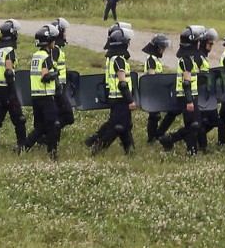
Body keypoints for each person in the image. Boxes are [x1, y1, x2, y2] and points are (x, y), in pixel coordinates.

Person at [85, 27, 136, 155]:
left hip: (115, 98)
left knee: (124, 126)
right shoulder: (119, 60)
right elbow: (122, 83)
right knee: (118, 127)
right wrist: (130, 100)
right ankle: (97, 149)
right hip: (120, 99)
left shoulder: (113, 58)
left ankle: (130, 151)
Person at [158, 26, 207, 156]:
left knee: (194, 125)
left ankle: (190, 150)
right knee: (194, 125)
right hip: (186, 97)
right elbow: (186, 83)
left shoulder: (190, 58)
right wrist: (189, 100)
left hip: (192, 96)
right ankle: (170, 139)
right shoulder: (185, 60)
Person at [22, 24, 62, 160]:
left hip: (36, 96)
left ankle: (23, 147)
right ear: (49, 42)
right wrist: (55, 73)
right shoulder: (46, 57)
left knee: (40, 127)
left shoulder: (36, 56)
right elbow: (45, 76)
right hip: (45, 96)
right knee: (53, 125)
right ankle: (52, 154)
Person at [0, 19, 27, 152]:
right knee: (19, 119)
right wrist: (13, 92)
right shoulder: (9, 50)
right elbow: (9, 72)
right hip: (7, 88)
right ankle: (22, 146)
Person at [141, 33, 171, 143]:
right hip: (153, 92)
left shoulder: (156, 59)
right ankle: (152, 138)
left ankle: (156, 136)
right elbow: (151, 76)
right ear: (158, 47)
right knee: (154, 116)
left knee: (155, 116)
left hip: (157, 91)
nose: (164, 50)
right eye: (163, 48)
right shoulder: (151, 60)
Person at [51, 17, 74, 128]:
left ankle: (51, 137)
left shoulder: (56, 48)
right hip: (57, 89)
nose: (65, 34)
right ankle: (46, 136)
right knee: (68, 116)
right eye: (64, 31)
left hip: (59, 87)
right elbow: (52, 68)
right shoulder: (55, 49)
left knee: (58, 115)